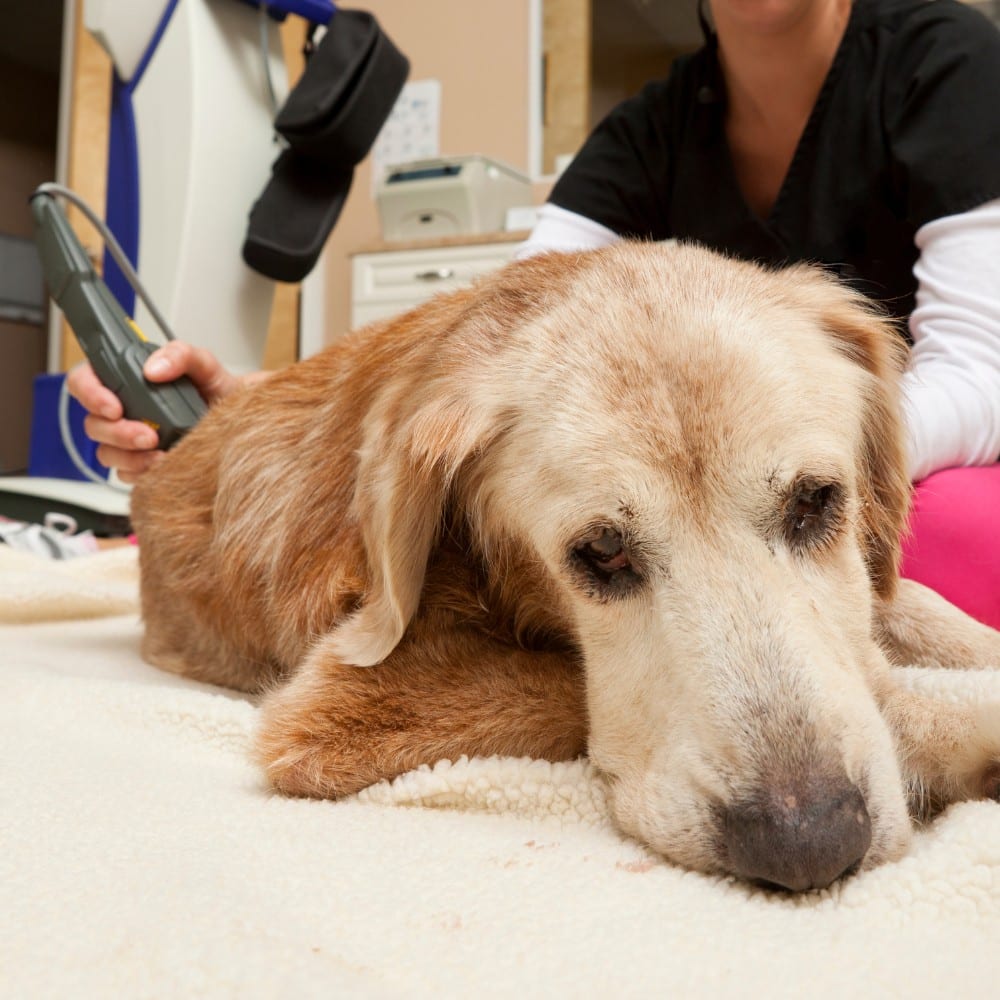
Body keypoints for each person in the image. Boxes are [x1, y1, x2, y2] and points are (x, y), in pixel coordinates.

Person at [69, 0, 1000, 626]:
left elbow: (980, 374)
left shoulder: (946, 64)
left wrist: (814, 472)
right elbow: (496, 342)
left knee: (952, 539)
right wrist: (261, 408)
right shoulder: (647, 131)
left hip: (916, 457)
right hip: (713, 502)